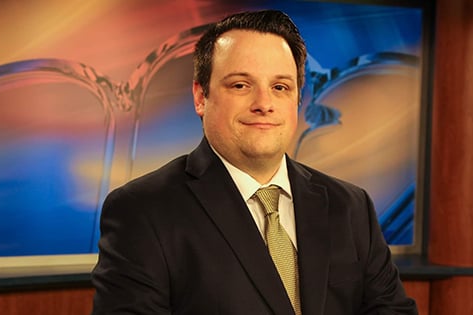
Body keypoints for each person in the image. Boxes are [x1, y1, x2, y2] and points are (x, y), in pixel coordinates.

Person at [91, 9, 418, 315]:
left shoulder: (350, 206)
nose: (264, 104)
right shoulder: (141, 210)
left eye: (280, 87)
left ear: (298, 99)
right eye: (240, 85)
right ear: (200, 97)